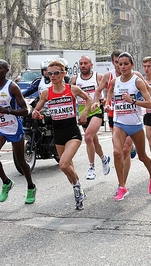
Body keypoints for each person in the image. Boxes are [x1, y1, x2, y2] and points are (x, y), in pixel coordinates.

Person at [32, 59, 92, 210]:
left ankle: (77, 187)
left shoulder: (72, 89)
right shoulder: (46, 93)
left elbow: (88, 99)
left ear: (64, 73)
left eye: (56, 73)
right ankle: (78, 191)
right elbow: (37, 109)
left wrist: (84, 114)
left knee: (63, 164)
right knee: (68, 167)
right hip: (57, 133)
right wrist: (35, 113)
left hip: (72, 132)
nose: (52, 76)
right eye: (49, 73)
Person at [0, 59, 36, 204]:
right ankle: (6, 182)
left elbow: (25, 111)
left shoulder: (12, 87)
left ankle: (31, 186)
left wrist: (8, 111)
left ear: (6, 71)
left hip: (13, 127)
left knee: (21, 161)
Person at [104, 52, 151, 201]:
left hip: (135, 125)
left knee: (142, 156)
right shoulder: (115, 81)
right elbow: (110, 93)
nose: (122, 67)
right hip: (119, 123)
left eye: (126, 64)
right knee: (116, 152)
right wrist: (108, 104)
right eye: (120, 64)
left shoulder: (137, 81)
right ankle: (122, 187)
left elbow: (150, 103)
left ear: (132, 65)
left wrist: (133, 101)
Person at [70, 55, 110, 180]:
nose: (83, 65)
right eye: (81, 63)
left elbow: (108, 90)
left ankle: (91, 167)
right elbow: (70, 97)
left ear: (91, 65)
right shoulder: (74, 80)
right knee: (94, 141)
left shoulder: (98, 76)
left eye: (85, 63)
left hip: (96, 111)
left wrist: (105, 100)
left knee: (88, 138)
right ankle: (104, 159)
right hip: (83, 114)